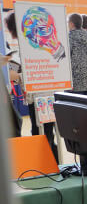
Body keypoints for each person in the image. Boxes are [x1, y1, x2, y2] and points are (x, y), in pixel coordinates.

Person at [2, 12, 57, 153]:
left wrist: (15, 75)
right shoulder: (39, 42)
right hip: (47, 92)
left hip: (39, 94)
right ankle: (48, 157)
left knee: (40, 130)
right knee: (46, 130)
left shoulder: (26, 45)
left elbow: (17, 74)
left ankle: (45, 160)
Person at [67, 13, 87, 95]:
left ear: (71, 24)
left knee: (76, 107)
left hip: (75, 83)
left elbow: (66, 59)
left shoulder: (70, 38)